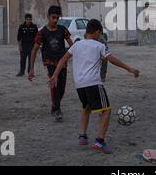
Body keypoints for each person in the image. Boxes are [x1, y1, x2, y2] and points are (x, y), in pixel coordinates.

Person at [48, 19, 140, 154]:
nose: (100, 36)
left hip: (79, 85)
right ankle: (100, 141)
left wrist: (55, 75)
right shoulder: (99, 46)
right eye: (100, 33)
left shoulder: (77, 45)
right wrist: (129, 69)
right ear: (97, 32)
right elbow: (112, 59)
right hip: (93, 83)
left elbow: (63, 59)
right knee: (106, 110)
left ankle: (82, 136)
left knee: (86, 108)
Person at [28, 6, 73, 122]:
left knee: (62, 88)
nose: (55, 20)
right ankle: (57, 110)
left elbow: (72, 45)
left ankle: (54, 106)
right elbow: (34, 50)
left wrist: (80, 54)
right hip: (49, 63)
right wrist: (31, 69)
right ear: (48, 17)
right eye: (53, 17)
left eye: (57, 18)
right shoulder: (42, 33)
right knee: (54, 84)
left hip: (62, 62)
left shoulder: (63, 30)